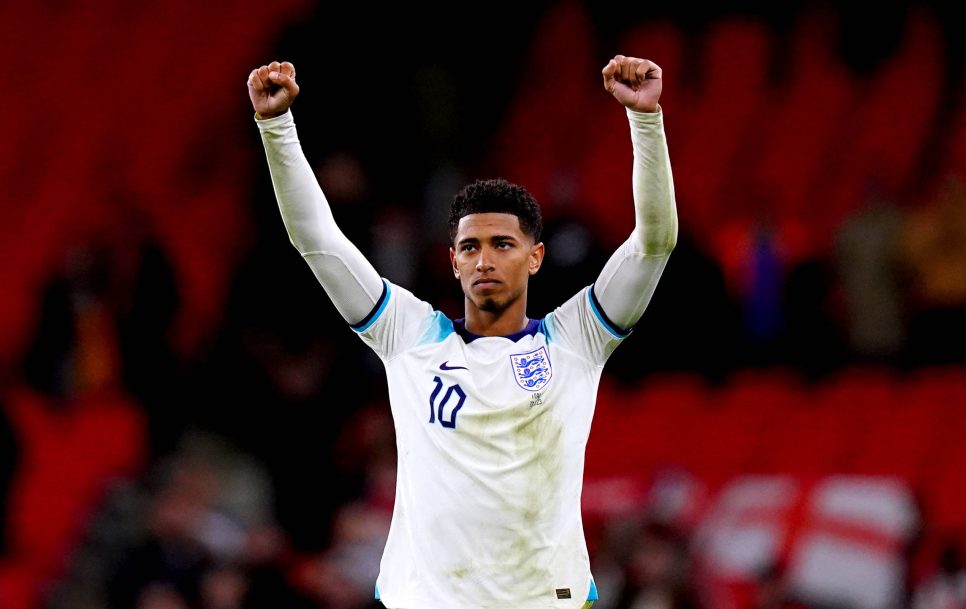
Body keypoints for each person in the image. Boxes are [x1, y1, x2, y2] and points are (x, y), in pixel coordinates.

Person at [247, 53, 677, 609]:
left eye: (503, 245)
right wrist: (276, 128)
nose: (484, 261)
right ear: (453, 262)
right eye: (470, 247)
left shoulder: (575, 341)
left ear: (536, 257)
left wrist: (646, 120)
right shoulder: (408, 336)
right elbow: (318, 240)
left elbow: (653, 244)